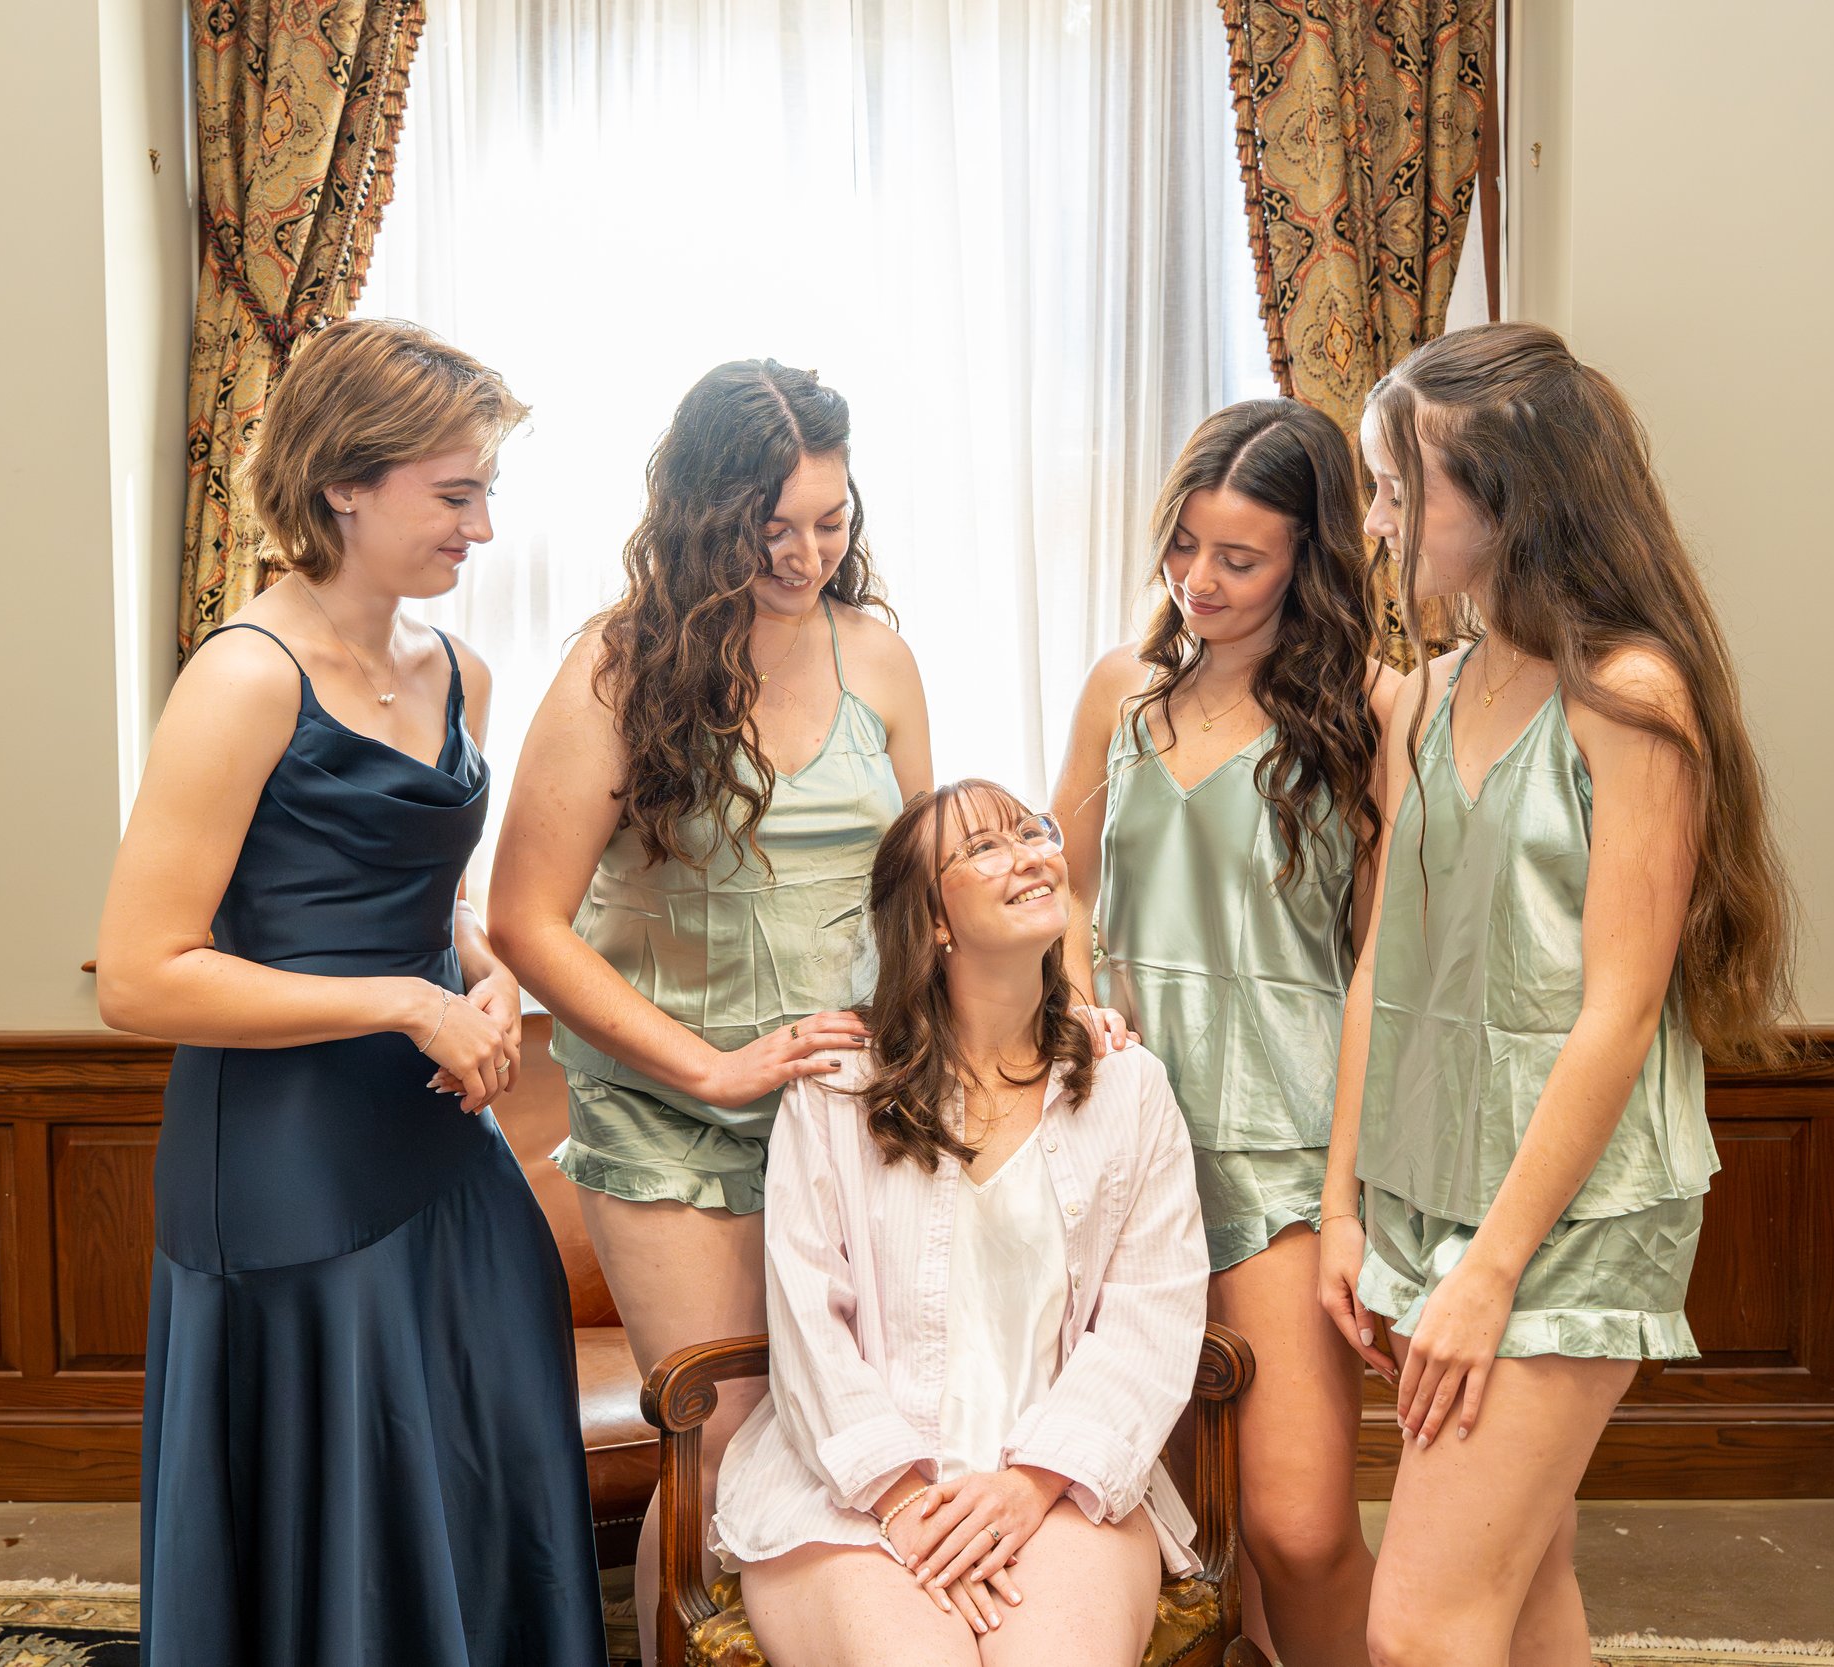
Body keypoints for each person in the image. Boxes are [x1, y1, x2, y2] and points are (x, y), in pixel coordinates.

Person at [97, 319, 606, 1666]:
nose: (483, 527)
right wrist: (404, 1001)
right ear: (344, 482)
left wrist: (486, 979)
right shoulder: (243, 678)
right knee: (332, 1499)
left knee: (479, 1452)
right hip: (284, 1164)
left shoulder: (460, 675)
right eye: (456, 493)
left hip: (445, 1138)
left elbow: (424, 902)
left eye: (485, 490)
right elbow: (143, 976)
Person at [1320, 323, 1797, 1667]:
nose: (1379, 520)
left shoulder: (1631, 694)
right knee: (1520, 1595)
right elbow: (1385, 967)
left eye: (1403, 493)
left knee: (1420, 1624)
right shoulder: (1425, 695)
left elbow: (1619, 1013)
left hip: (1565, 1214)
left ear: (1507, 504)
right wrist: (1346, 1203)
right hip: (1431, 1181)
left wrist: (1490, 1269)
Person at [487, 360, 932, 1615]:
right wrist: (708, 1065)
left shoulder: (880, 660)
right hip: (673, 1120)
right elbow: (523, 917)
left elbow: (912, 887)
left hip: (852, 1115)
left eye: (830, 522)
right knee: (725, 1448)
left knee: (858, 1448)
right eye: (769, 526)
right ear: (700, 510)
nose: (803, 555)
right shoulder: (613, 671)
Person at [713, 781, 1209, 1667]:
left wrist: (1030, 1484)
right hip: (849, 1489)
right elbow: (807, 1326)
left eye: (1033, 832)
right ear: (933, 920)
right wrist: (903, 1497)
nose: (1028, 853)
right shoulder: (837, 1085)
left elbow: (1151, 1321)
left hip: (1064, 1482)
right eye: (984, 847)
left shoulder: (1130, 1086)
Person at [1051, 398, 1396, 1666]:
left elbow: (1378, 966)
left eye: (1239, 557)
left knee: (1296, 1521)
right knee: (1172, 1515)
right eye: (1184, 545)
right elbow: (1064, 885)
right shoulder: (1119, 691)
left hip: (1285, 1149)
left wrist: (1349, 1191)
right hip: (1116, 1142)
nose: (1200, 579)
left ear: (1312, 557)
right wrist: (1081, 991)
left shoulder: (1374, 706)